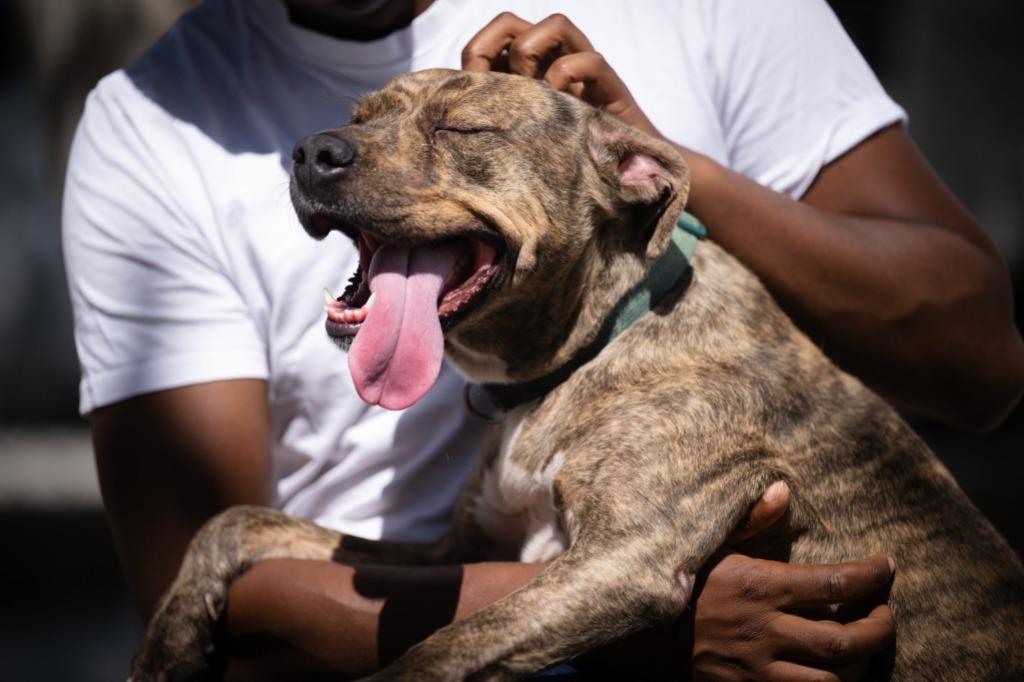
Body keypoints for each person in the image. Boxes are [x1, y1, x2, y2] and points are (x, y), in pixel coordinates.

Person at [62, 0, 1024, 679]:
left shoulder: (682, 350)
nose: (336, 153)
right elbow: (214, 625)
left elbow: (985, 363)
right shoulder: (144, 123)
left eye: (457, 133)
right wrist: (634, 637)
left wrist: (655, 155)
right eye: (358, 131)